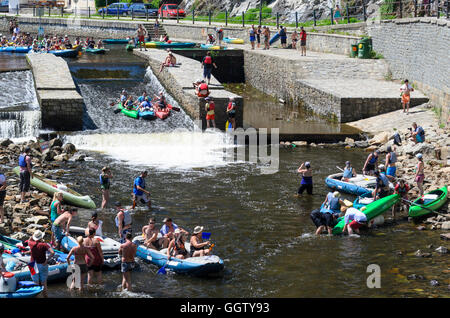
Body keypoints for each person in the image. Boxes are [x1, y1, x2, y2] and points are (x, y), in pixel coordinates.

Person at [28, 230, 55, 297]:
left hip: (32, 265)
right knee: (43, 283)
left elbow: (29, 239)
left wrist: (33, 236)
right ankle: (45, 296)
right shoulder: (44, 245)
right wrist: (46, 261)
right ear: (41, 237)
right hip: (42, 264)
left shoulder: (30, 243)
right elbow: (52, 252)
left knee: (35, 283)